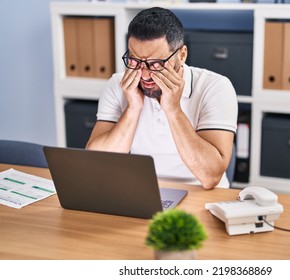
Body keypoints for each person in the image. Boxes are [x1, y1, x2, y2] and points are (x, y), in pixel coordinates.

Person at [86, 7, 238, 189]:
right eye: (135, 60)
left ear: (181, 55)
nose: (144, 74)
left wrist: (173, 110)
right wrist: (133, 108)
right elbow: (96, 164)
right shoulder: (119, 84)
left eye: (156, 64)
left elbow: (210, 176)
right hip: (141, 192)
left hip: (200, 196)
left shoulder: (215, 87)